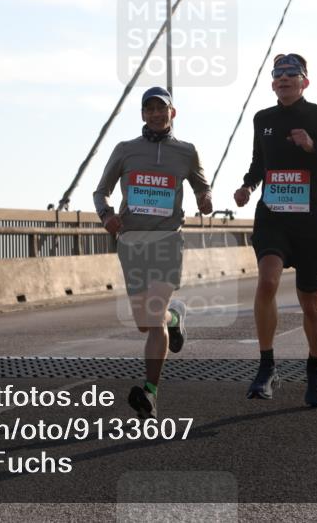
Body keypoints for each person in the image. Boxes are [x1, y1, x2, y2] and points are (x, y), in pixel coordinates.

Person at [233, 53, 317, 407]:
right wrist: (247, 186)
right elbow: (260, 163)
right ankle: (267, 366)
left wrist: (312, 146)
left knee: (309, 302)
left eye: (292, 74)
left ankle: (315, 366)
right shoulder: (263, 119)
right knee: (267, 281)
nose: (284, 78)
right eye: (278, 74)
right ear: (272, 83)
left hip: (310, 224)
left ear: (305, 81)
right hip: (273, 216)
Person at [94, 86, 213, 419]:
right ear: (143, 114)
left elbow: (202, 187)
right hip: (131, 242)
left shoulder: (187, 152)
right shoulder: (125, 150)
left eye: (163, 109)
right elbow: (100, 192)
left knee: (153, 314)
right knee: (146, 324)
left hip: (167, 241)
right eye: (150, 109)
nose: (157, 114)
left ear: (172, 113)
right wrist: (107, 217)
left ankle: (150, 393)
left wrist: (205, 200)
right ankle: (175, 317)